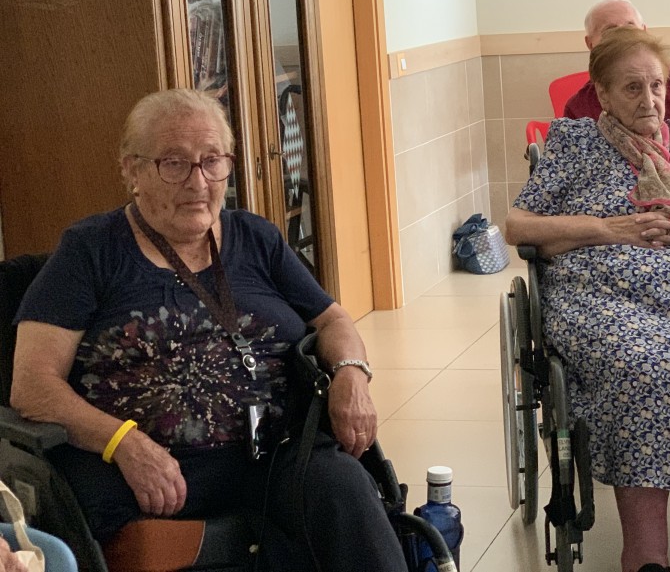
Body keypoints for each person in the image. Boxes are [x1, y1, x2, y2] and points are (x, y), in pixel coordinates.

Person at [11, 89, 405, 572]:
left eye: (212, 161)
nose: (198, 182)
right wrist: (125, 443)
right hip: (144, 465)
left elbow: (332, 319)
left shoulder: (257, 238)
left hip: (274, 452)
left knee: (344, 491)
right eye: (174, 163)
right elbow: (32, 386)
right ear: (132, 171)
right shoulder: (90, 251)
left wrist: (351, 374)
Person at [506, 27, 670, 572]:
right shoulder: (574, 145)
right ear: (602, 95)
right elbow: (518, 225)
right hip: (599, 294)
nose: (649, 99)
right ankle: (646, 551)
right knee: (637, 362)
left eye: (656, 85)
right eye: (632, 88)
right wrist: (610, 229)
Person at [563, 0, 670, 135]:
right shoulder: (579, 107)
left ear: (645, 31)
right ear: (590, 43)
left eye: (630, 28)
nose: (624, 38)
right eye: (610, 31)